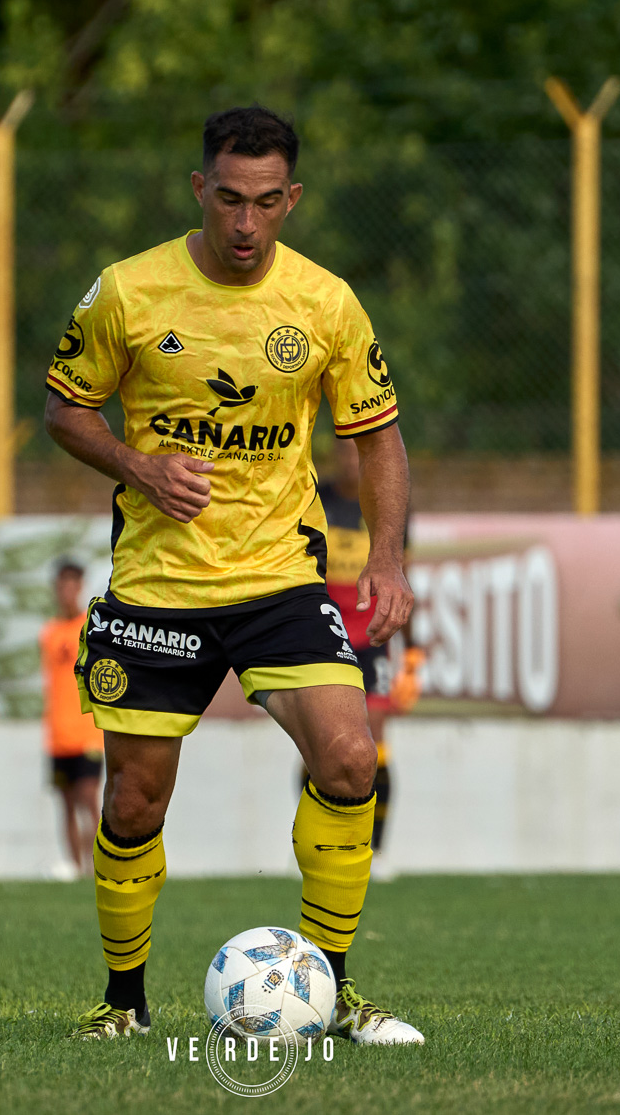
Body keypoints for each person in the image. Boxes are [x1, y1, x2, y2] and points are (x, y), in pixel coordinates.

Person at [45, 106, 423, 1045]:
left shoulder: (325, 302)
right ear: (198, 192)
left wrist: (385, 557)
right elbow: (63, 409)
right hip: (156, 586)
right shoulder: (127, 294)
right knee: (134, 801)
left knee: (347, 759)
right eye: (227, 200)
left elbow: (375, 434)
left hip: (278, 581)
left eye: (265, 203)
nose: (245, 224)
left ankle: (329, 994)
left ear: (291, 200)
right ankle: (122, 1003)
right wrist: (140, 466)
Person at [317, 438, 419, 878]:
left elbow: (403, 578)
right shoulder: (314, 500)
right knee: (321, 743)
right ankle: (316, 845)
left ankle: (375, 850)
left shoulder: (385, 507)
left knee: (373, 741)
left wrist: (411, 654)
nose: (350, 461)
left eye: (358, 454)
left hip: (373, 636)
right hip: (324, 633)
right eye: (343, 452)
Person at [42, 559, 103, 877]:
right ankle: (74, 867)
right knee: (65, 804)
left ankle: (97, 868)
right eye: (61, 585)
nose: (66, 591)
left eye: (72, 585)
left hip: (87, 734)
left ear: (79, 587)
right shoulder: (49, 633)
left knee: (90, 801)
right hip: (57, 737)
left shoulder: (88, 627)